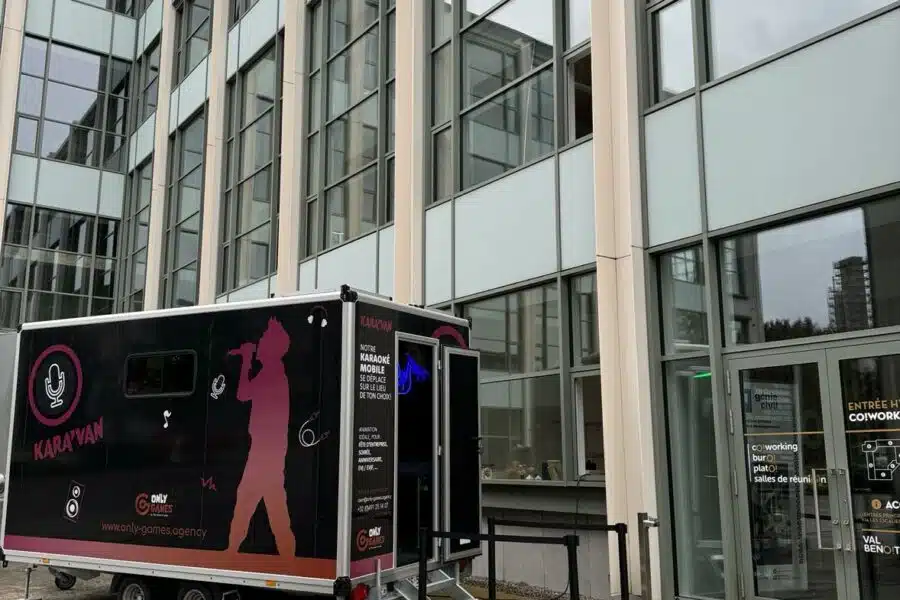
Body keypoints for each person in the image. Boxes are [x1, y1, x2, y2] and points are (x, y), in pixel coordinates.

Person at [226, 317, 296, 558]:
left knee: (250, 499)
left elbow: (243, 393)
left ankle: (233, 550)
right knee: (272, 505)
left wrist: (246, 359)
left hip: (265, 451)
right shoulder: (273, 372)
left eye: (264, 339)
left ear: (272, 347)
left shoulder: (272, 374)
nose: (260, 343)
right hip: (268, 450)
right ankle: (286, 555)